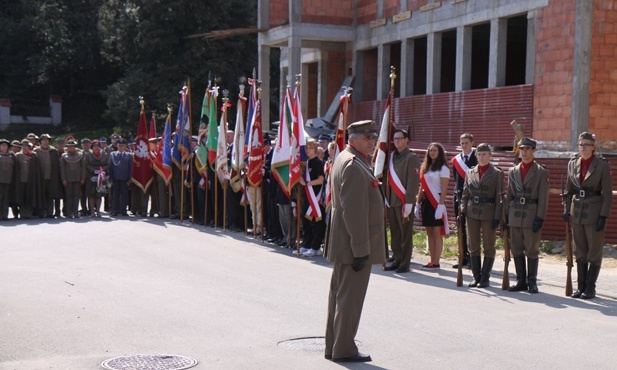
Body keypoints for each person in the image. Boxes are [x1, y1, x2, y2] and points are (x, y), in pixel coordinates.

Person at [324, 120, 385, 363]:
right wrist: (361, 249)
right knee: (350, 298)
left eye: (372, 136)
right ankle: (344, 349)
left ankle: (335, 346)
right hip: (353, 243)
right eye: (366, 136)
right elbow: (354, 211)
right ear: (352, 139)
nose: (372, 140)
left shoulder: (348, 158)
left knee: (341, 296)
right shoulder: (352, 164)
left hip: (345, 240)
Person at [565, 132, 613, 299]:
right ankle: (581, 286)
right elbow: (569, 190)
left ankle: (590, 288)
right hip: (576, 210)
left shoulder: (601, 165)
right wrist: (566, 209)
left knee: (594, 250)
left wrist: (603, 216)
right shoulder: (572, 164)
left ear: (593, 147)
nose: (583, 147)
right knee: (580, 250)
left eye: (586, 144)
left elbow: (607, 193)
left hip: (594, 211)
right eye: (580, 144)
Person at [506, 137, 549, 294]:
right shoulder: (513, 170)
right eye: (522, 149)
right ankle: (520, 280)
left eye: (527, 149)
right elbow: (509, 195)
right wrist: (505, 216)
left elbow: (544, 197)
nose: (524, 152)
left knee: (532, 249)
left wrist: (540, 217)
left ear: (533, 151)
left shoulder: (540, 171)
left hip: (531, 213)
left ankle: (532, 281)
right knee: (516, 248)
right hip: (515, 213)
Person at [459, 143, 504, 287]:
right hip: (472, 212)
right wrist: (462, 210)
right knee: (473, 244)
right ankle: (476, 276)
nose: (481, 157)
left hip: (489, 212)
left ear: (490, 156)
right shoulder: (470, 172)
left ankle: (485, 277)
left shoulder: (497, 173)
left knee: (489, 245)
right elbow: (465, 195)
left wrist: (498, 216)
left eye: (484, 154)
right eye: (479, 154)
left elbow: (499, 197)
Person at [384, 129, 420, 273]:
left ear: (407, 140)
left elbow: (413, 181)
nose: (397, 141)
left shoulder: (412, 157)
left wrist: (410, 202)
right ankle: (397, 259)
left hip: (404, 201)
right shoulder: (392, 156)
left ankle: (404, 263)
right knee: (395, 233)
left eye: (400, 138)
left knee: (405, 234)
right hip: (392, 200)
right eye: (395, 139)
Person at [415, 142, 450, 269]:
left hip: (436, 201)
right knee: (429, 232)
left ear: (440, 152)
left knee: (436, 233)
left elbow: (445, 189)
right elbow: (422, 187)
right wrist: (417, 203)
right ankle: (431, 260)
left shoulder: (443, 168)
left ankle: (436, 261)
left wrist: (440, 206)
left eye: (435, 150)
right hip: (426, 201)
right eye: (430, 151)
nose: (432, 153)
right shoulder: (425, 167)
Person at [452, 133, 477, 268]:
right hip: (459, 196)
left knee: (472, 229)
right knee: (460, 227)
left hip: (472, 197)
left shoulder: (477, 157)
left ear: (472, 143)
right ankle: (462, 256)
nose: (464, 145)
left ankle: (474, 259)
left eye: (466, 143)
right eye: (461, 143)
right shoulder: (457, 159)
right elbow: (456, 178)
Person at [299, 139, 325, 257]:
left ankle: (316, 247)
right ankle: (306, 244)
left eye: (309, 148)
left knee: (315, 222)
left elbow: (320, 180)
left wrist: (307, 183)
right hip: (306, 196)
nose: (307, 150)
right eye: (306, 148)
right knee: (306, 222)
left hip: (315, 197)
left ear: (315, 150)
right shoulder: (307, 163)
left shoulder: (318, 163)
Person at [14, 139, 43, 219]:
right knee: (21, 197)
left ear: (29, 147)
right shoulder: (18, 156)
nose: (25, 148)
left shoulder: (33, 156)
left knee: (30, 196)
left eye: (26, 146)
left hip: (31, 180)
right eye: (23, 146)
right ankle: (22, 213)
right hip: (21, 180)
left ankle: (29, 213)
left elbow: (37, 169)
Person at [34, 134, 61, 218]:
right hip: (40, 177)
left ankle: (50, 212)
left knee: (51, 195)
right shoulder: (36, 151)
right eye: (43, 140)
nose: (45, 141)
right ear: (40, 141)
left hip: (51, 176)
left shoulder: (53, 151)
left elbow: (57, 164)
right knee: (41, 195)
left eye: (47, 140)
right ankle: (41, 212)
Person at [83, 140, 110, 217]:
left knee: (99, 194)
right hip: (91, 176)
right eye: (94, 146)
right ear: (92, 146)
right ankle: (92, 211)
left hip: (101, 176)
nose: (96, 147)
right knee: (91, 195)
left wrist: (102, 170)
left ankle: (98, 211)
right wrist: (94, 171)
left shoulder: (104, 154)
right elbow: (86, 164)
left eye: (98, 145)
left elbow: (107, 164)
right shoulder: (88, 155)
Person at [60, 139, 85, 219]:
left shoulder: (80, 155)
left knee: (76, 196)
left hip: (77, 178)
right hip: (68, 179)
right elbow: (62, 168)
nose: (71, 148)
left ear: (75, 147)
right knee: (69, 196)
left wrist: (82, 178)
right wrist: (63, 179)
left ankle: (75, 212)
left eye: (73, 146)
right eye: (69, 147)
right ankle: (69, 212)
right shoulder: (64, 156)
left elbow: (83, 167)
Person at [108, 138, 134, 216]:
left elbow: (130, 168)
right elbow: (110, 167)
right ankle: (115, 210)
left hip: (124, 178)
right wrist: (110, 178)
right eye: (119, 146)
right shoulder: (113, 154)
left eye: (122, 146)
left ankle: (123, 210)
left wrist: (129, 178)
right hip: (115, 178)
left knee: (124, 195)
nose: (121, 147)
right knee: (115, 195)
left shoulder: (129, 155)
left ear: (125, 146)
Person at [0, 139, 16, 220]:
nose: (3, 147)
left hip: (8, 180)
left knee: (6, 197)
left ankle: (5, 215)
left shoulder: (11, 155)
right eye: (2, 145)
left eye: (5, 145)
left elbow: (16, 166)